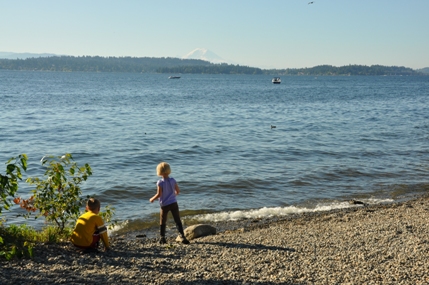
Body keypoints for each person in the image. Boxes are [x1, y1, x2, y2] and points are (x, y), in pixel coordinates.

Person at [150, 162, 190, 244]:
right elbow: (178, 191)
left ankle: (162, 238)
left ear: (159, 172)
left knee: (163, 220)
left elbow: (159, 194)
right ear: (169, 170)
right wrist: (173, 195)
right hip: (173, 203)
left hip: (164, 204)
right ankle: (182, 236)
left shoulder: (160, 182)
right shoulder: (173, 180)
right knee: (177, 219)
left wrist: (152, 198)